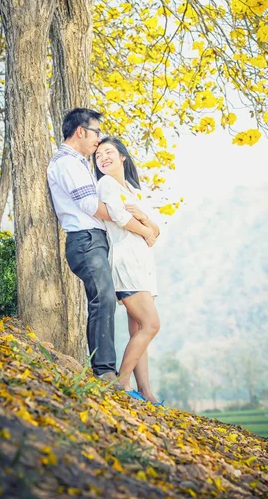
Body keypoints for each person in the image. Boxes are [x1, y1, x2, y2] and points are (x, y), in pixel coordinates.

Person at [47, 108, 155, 382]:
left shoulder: (79, 163)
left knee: (106, 299)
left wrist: (138, 221)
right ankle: (105, 371)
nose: (98, 140)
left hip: (95, 240)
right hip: (85, 240)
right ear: (80, 131)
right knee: (103, 297)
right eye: (95, 132)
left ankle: (116, 374)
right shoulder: (67, 163)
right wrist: (131, 220)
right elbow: (89, 205)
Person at [94, 137, 161, 404]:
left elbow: (157, 228)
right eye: (98, 155)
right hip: (126, 263)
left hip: (144, 266)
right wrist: (145, 228)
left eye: (109, 152)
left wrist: (146, 221)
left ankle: (146, 393)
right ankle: (122, 382)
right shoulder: (106, 184)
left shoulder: (133, 190)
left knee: (139, 332)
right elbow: (120, 218)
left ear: (123, 156)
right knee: (151, 324)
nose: (103, 158)